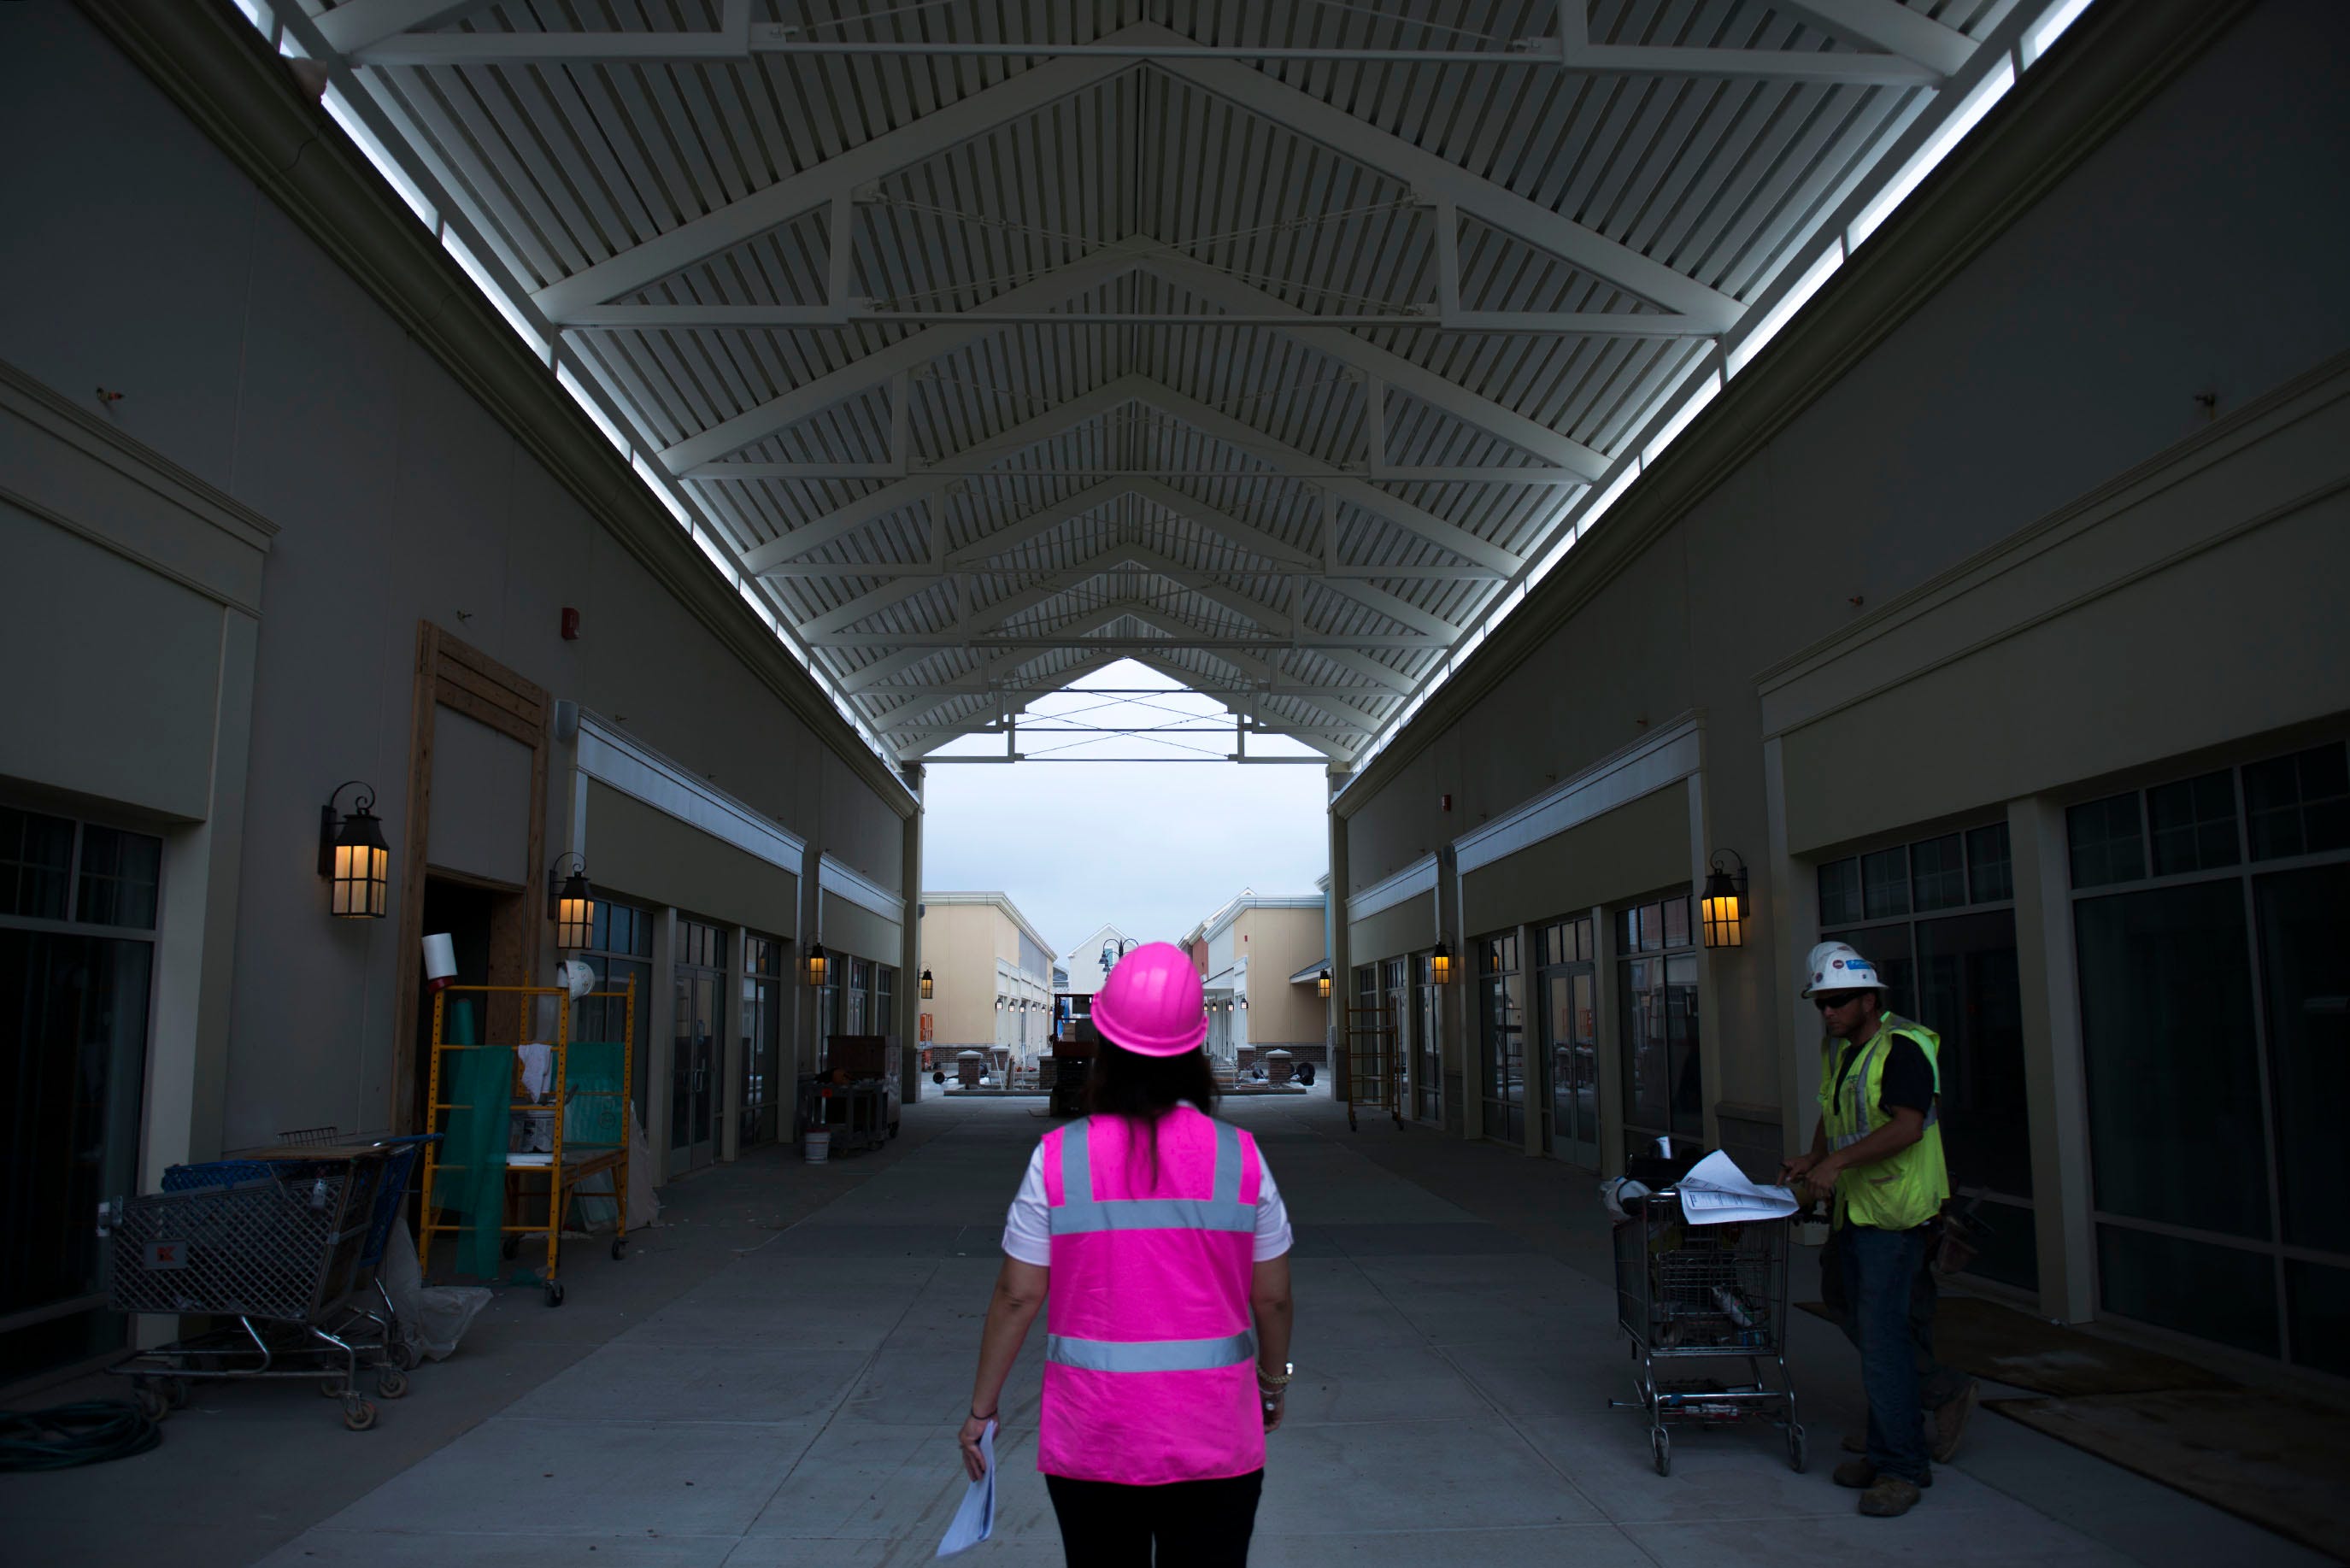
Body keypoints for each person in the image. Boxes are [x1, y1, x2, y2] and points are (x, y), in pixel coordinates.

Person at [960, 942, 1296, 1565]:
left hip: (1095, 1439)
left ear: (1104, 1048)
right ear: (1195, 1048)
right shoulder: (1241, 1157)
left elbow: (1018, 1295)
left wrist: (982, 1409)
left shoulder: (1058, 1159)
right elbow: (1272, 1296)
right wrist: (1273, 1383)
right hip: (1215, 1438)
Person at [1778, 942, 1977, 1518]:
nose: (1828, 1012)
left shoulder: (1904, 1047)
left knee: (1884, 1338)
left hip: (1895, 1215)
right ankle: (1912, 1416)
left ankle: (1902, 1464)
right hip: (1858, 1209)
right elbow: (1835, 1110)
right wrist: (1813, 1155)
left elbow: (1908, 1127)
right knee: (1851, 1306)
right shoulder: (1844, 1051)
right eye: (1821, 1002)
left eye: (1837, 1001)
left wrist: (1835, 1165)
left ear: (1870, 998)